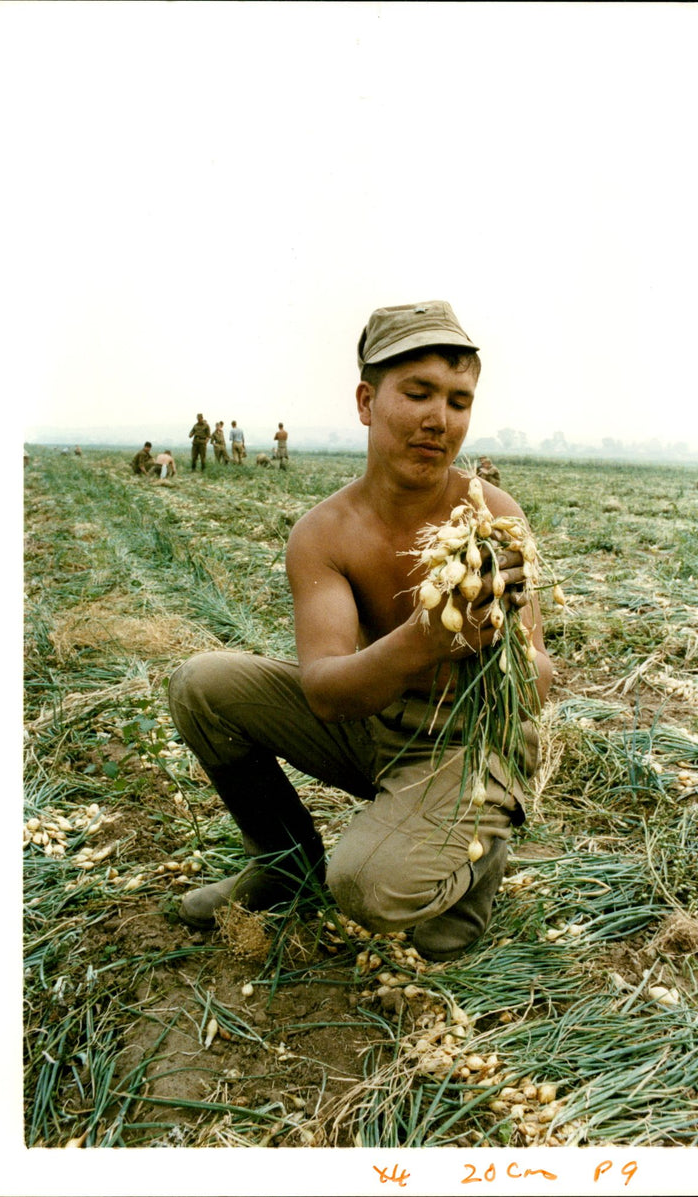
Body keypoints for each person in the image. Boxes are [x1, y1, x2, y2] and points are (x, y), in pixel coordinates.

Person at [168, 300, 553, 961]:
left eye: (458, 401)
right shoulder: (325, 533)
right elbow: (324, 690)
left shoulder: (490, 514)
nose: (439, 418)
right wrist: (424, 639)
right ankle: (283, 861)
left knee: (365, 889)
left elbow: (539, 683)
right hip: (370, 722)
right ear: (367, 401)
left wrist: (503, 643)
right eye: (418, 392)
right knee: (201, 685)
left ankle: (478, 854)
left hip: (464, 741)